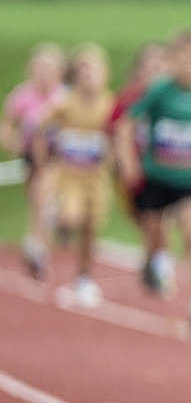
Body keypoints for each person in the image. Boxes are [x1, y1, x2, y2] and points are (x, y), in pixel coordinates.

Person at [117, 29, 191, 330]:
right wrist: (128, 161)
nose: (190, 63)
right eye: (184, 57)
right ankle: (151, 260)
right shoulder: (160, 90)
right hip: (157, 177)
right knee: (155, 236)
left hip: (189, 180)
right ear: (173, 60)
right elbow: (126, 123)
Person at [36, 44, 112, 306]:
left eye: (94, 70)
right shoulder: (65, 103)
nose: (89, 76)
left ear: (104, 73)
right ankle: (56, 217)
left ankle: (84, 278)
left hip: (96, 177)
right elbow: (40, 126)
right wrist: (43, 159)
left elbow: (120, 132)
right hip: (69, 176)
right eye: (83, 70)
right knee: (71, 217)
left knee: (90, 230)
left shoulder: (109, 105)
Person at [109, 42, 168, 293]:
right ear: (140, 71)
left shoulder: (174, 98)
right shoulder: (128, 100)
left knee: (160, 218)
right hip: (134, 169)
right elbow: (113, 129)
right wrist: (121, 161)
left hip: (163, 170)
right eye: (150, 67)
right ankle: (151, 257)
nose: (155, 72)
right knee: (142, 219)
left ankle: (159, 264)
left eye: (160, 66)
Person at [4, 43, 67, 279]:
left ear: (58, 71)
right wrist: (14, 143)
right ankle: (37, 241)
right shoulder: (23, 95)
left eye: (47, 69)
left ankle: (37, 245)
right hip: (30, 155)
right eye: (38, 69)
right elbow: (6, 126)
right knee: (36, 200)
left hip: (58, 156)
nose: (42, 75)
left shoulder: (64, 97)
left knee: (43, 193)